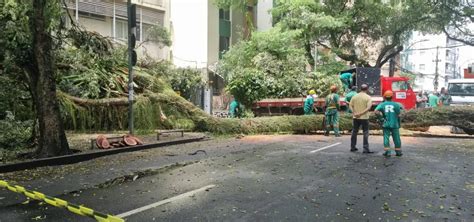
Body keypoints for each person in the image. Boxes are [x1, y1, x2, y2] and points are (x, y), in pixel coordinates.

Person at [375, 90, 403, 157]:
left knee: (386, 138)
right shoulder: (396, 105)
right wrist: (399, 124)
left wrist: (381, 118)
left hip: (386, 124)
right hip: (395, 124)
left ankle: (388, 152)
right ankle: (398, 152)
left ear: (384, 97)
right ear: (392, 97)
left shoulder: (382, 104)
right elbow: (399, 115)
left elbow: (376, 111)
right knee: (397, 138)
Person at [349, 84, 373, 153]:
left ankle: (352, 147)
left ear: (360, 89)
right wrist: (361, 113)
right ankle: (365, 149)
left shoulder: (355, 96)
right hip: (364, 118)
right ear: (367, 89)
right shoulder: (368, 97)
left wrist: (354, 113)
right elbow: (368, 108)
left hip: (355, 117)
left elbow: (350, 105)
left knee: (354, 132)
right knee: (365, 132)